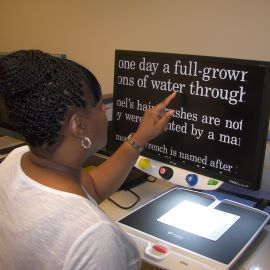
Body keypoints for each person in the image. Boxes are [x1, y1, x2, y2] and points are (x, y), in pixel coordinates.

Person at [0, 50, 175, 270]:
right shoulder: (94, 237)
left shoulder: (15, 161)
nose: (104, 109)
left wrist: (140, 137)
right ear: (79, 126)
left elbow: (90, 186)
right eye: (99, 103)